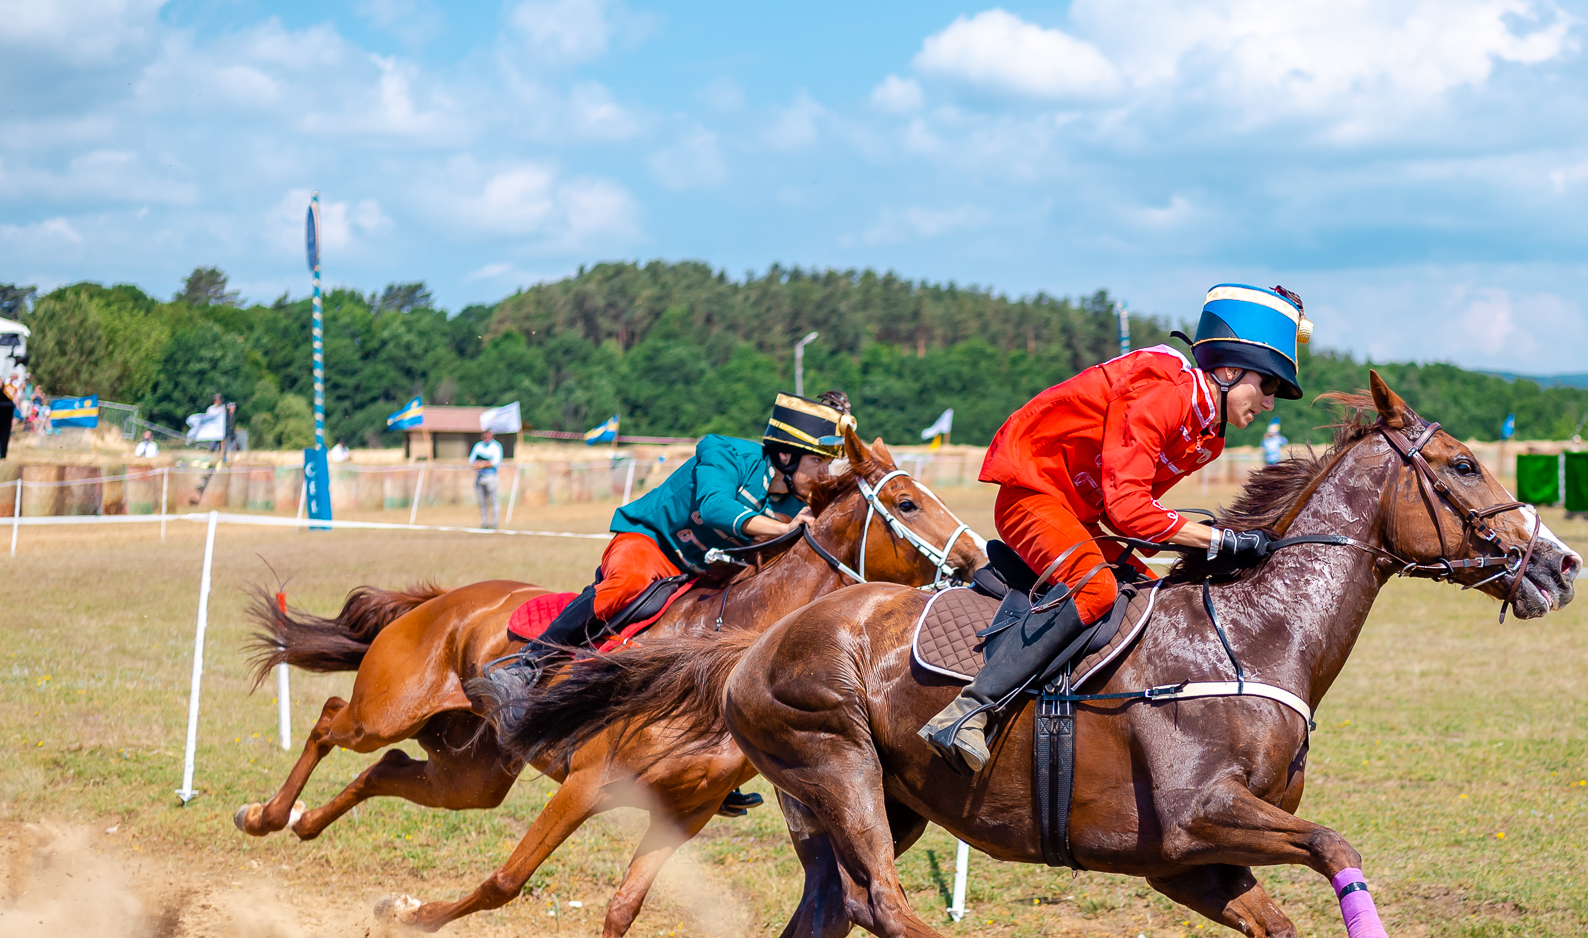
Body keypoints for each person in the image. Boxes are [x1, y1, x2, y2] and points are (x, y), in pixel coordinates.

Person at [920, 283, 1308, 773]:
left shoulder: (1207, 436)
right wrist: (1219, 539)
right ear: (1229, 370)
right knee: (1096, 591)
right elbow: (1129, 511)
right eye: (1268, 386)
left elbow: (1139, 519)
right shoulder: (1164, 393)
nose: (1270, 403)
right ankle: (968, 710)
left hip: (1081, 515)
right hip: (1032, 497)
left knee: (1154, 594)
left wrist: (1216, 543)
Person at [482, 390, 854, 704]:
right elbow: (714, 508)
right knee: (627, 583)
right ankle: (530, 662)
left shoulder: (798, 504)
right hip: (650, 543)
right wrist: (783, 527)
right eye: (818, 463)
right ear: (785, 456)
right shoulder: (726, 453)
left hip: (700, 575)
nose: (825, 475)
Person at [470, 431, 504, 530]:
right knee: (482, 501)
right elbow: (472, 461)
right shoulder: (478, 446)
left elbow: (495, 462)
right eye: (485, 436)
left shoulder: (496, 447)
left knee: (493, 500)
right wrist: (484, 463)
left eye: (489, 436)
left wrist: (482, 464)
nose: (487, 438)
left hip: (491, 477)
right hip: (480, 477)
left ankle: (495, 523)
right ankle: (484, 523)